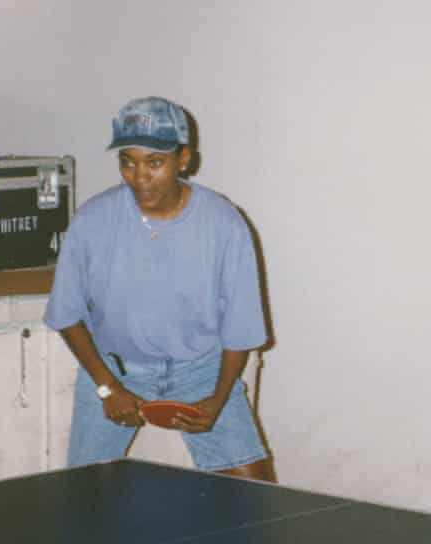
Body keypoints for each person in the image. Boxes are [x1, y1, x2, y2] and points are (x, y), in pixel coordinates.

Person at [44, 96, 272, 481]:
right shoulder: (91, 221)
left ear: (183, 159)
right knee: (85, 495)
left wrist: (218, 399)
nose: (139, 176)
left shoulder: (224, 223)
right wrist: (107, 387)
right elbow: (66, 314)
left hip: (202, 371)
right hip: (113, 369)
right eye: (128, 162)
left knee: (255, 493)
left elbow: (240, 328)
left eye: (154, 162)